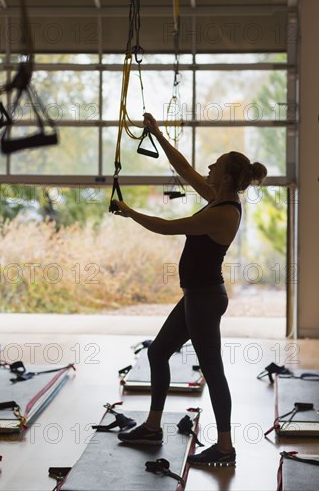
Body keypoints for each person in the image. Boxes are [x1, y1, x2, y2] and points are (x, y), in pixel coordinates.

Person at [111, 112, 267, 467]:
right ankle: (152, 427)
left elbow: (169, 227)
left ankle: (225, 448)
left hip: (206, 300)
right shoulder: (216, 196)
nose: (208, 166)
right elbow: (184, 169)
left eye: (216, 165)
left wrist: (129, 211)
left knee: (213, 370)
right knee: (158, 353)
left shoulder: (223, 213)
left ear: (226, 177)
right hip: (196, 297)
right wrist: (158, 134)